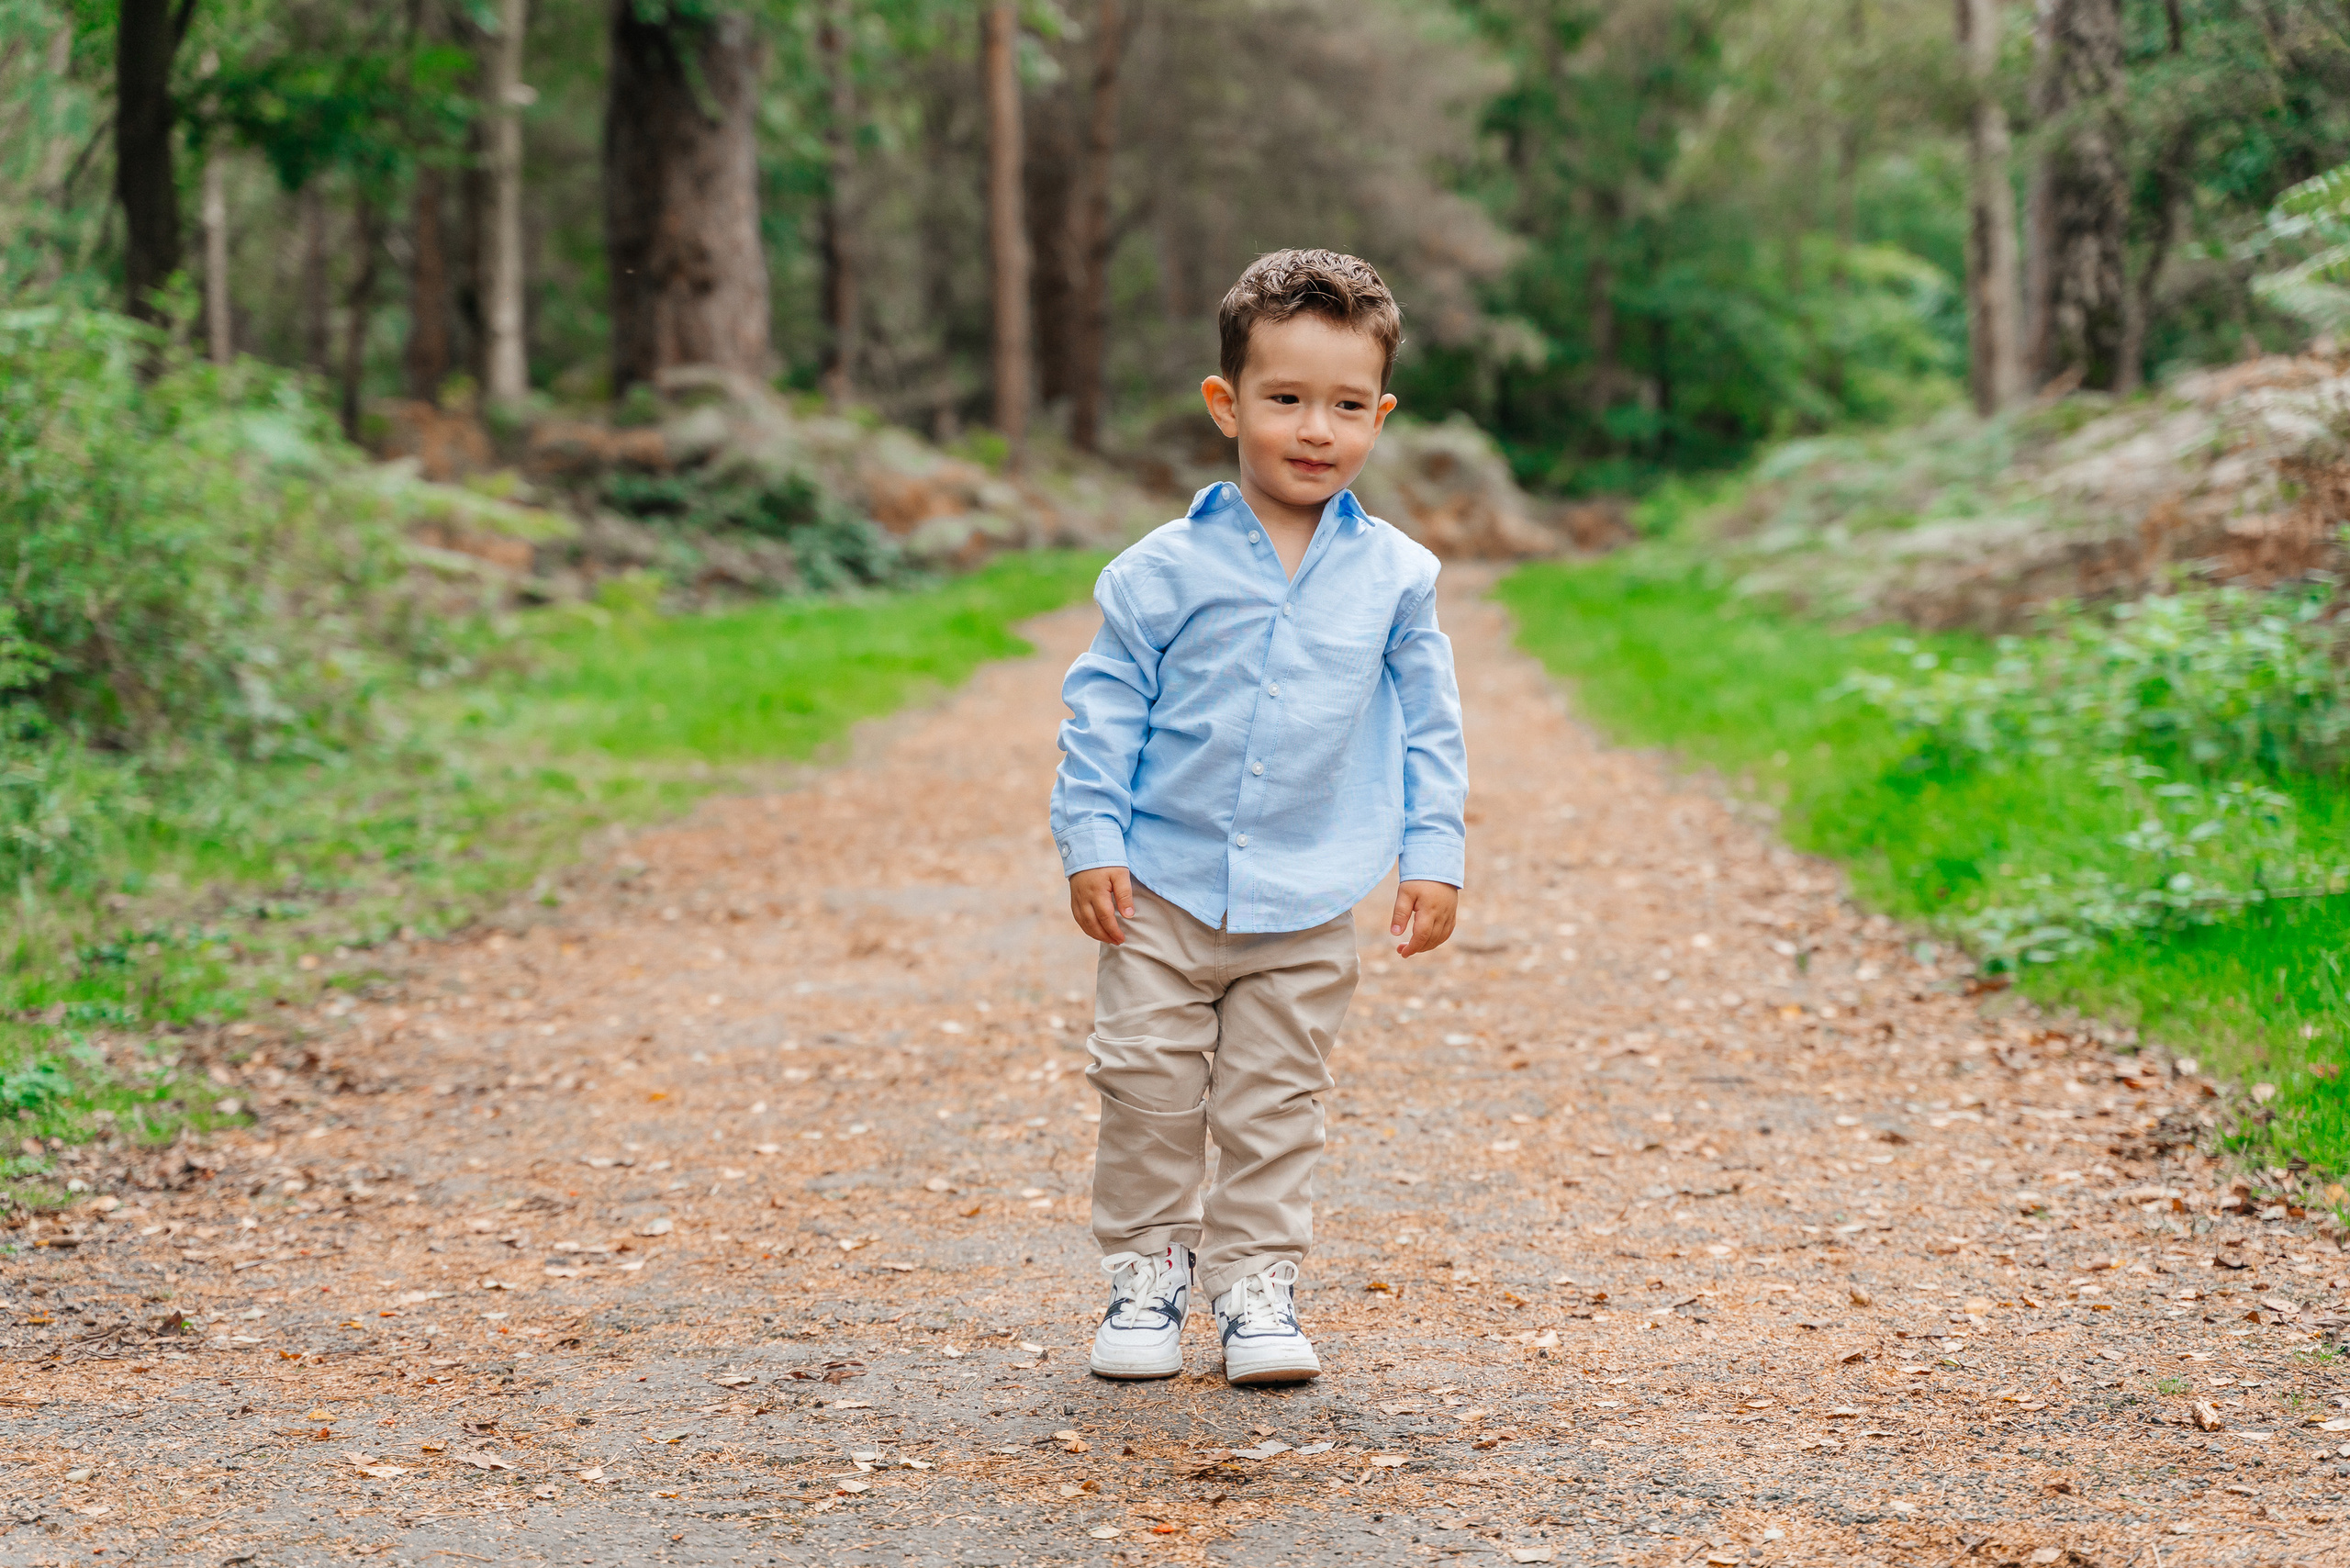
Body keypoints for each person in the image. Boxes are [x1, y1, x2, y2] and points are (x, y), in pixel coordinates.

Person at [1049, 249, 1468, 1386]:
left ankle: (1253, 1287)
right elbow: (1103, 710)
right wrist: (1091, 839)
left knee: (1276, 1101)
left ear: (1379, 416)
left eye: (1345, 406)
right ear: (1228, 403)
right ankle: (1145, 1273)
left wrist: (1434, 855)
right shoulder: (1158, 571)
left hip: (1306, 895)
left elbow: (1431, 723)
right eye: (1285, 399)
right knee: (1144, 1086)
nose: (1315, 430)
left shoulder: (1396, 577)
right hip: (1162, 889)